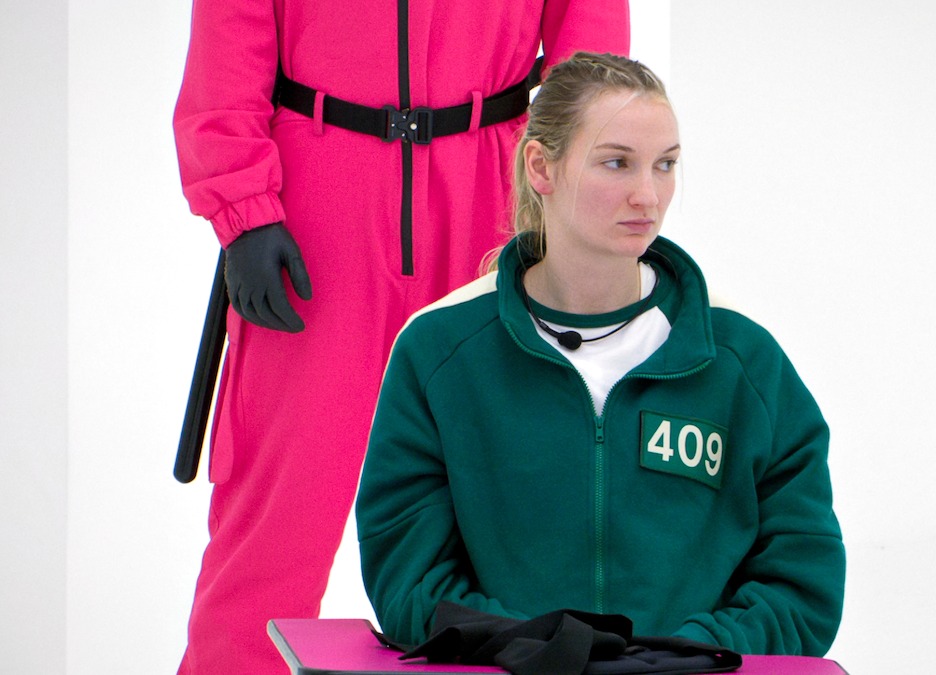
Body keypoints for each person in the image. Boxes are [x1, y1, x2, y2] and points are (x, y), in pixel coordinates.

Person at [172, 3, 629, 672]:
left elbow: (588, 41)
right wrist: (243, 207)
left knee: (509, 501)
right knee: (279, 507)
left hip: (493, 200)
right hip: (318, 204)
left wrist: (579, 197)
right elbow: (230, 29)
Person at [356, 52, 846, 657]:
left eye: (665, 165)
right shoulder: (438, 351)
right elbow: (409, 579)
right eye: (617, 163)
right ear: (542, 166)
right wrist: (538, 649)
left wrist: (681, 656)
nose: (649, 194)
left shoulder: (742, 359)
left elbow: (805, 582)